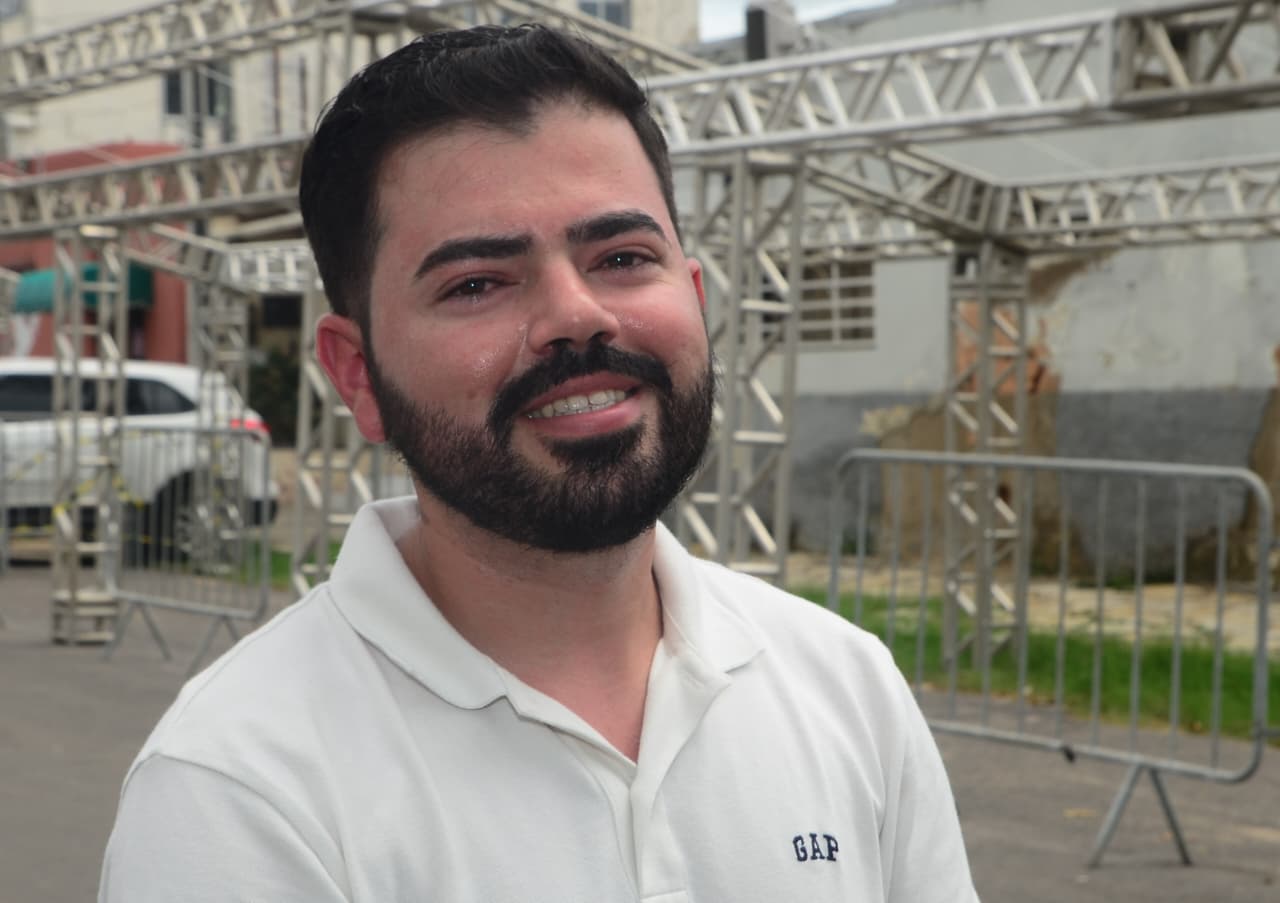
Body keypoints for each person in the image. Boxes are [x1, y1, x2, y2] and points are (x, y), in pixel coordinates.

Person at [99, 24, 978, 902]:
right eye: (477, 282)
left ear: (696, 299)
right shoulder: (236, 790)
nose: (578, 314)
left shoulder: (847, 686)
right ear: (358, 374)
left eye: (623, 258)